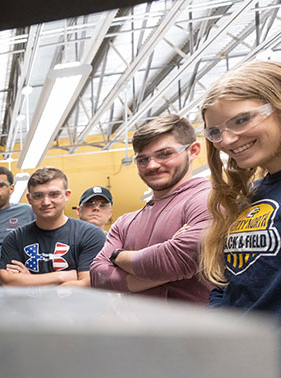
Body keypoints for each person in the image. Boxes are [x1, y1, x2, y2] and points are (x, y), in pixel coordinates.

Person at [89, 115, 212, 302]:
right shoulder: (125, 222)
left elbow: (177, 261)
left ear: (193, 150)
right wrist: (165, 265)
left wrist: (118, 256)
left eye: (164, 154)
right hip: (132, 329)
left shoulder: (208, 200)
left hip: (191, 330)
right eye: (143, 159)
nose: (152, 165)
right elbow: (98, 276)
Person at [201, 60, 281, 318]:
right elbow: (229, 283)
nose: (226, 140)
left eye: (242, 120)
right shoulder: (252, 194)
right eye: (215, 131)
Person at [0, 167, 105, 287]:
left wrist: (29, 280)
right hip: (30, 306)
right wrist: (63, 276)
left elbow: (88, 283)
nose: (46, 202)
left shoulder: (90, 235)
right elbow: (8, 282)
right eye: (38, 196)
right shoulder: (15, 238)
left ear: (66, 195)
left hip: (74, 306)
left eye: (54, 194)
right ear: (29, 199)